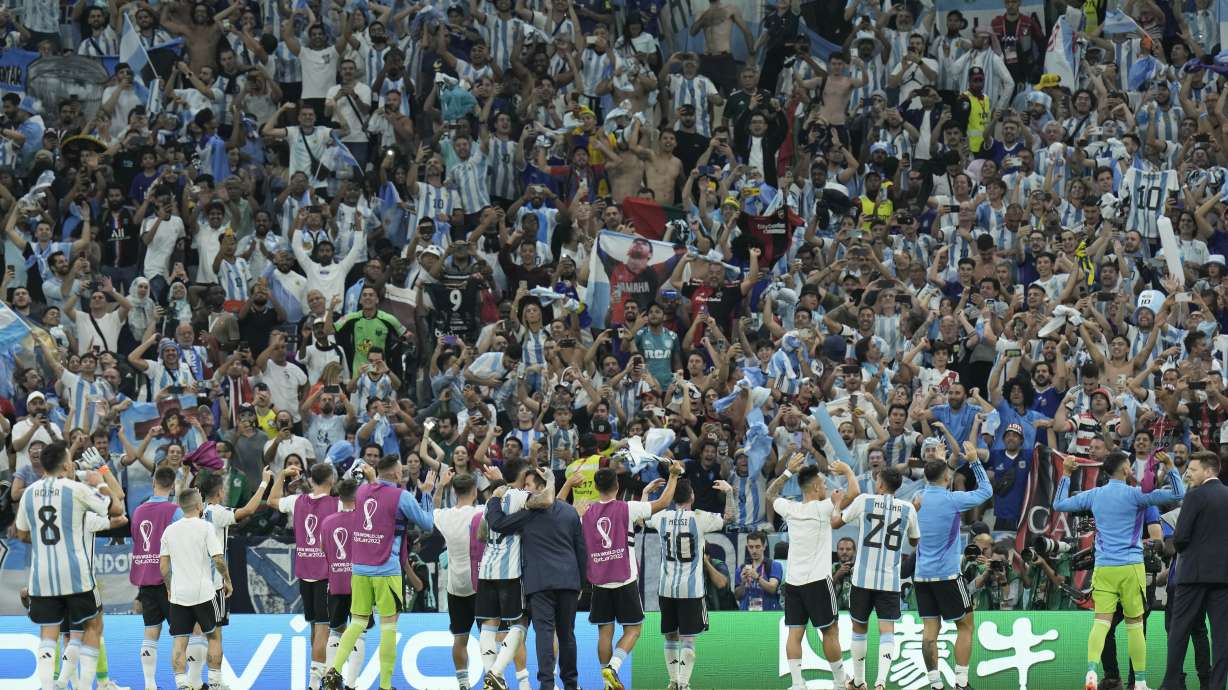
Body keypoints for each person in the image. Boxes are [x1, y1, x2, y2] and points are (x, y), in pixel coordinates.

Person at [1053, 451, 1185, 690]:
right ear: (1125, 470)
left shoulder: (1094, 495)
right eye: (1129, 466)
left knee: (1101, 622)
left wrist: (1066, 474)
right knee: (1135, 625)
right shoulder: (1137, 496)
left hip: (1104, 568)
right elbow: (1179, 493)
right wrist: (1170, 465)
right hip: (1130, 568)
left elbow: (1059, 504)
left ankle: (1092, 671)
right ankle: (1141, 682)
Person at [322, 454, 435, 690]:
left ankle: (333, 671)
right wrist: (426, 493)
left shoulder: (362, 492)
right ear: (395, 474)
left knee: (357, 623)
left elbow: (375, 492)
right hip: (386, 569)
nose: (403, 471)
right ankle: (385, 685)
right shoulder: (401, 497)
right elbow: (427, 524)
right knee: (388, 627)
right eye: (400, 469)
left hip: (360, 568)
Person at [15, 440, 116, 690]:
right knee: (92, 627)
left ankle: (49, 687)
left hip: (43, 577)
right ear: (65, 463)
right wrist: (99, 482)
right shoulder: (75, 489)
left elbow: (22, 534)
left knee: (49, 633)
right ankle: (84, 686)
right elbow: (113, 508)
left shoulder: (28, 492)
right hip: (76, 574)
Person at [486, 467, 588, 690]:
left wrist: (494, 498)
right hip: (568, 581)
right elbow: (582, 550)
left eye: (529, 485)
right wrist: (581, 583)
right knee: (567, 635)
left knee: (544, 634)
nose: (525, 490)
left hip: (539, 584)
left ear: (543, 488)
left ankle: (547, 685)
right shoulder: (571, 513)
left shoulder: (529, 515)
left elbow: (497, 524)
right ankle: (571, 684)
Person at [583, 462, 681, 689]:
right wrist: (674, 475)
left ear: (597, 488)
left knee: (604, 633)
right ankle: (613, 668)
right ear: (617, 485)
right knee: (634, 630)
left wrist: (645, 493)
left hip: (599, 581)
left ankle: (605, 681)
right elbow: (664, 502)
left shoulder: (586, 513)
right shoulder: (626, 508)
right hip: (625, 580)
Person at [768, 453, 860, 690]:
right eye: (824, 483)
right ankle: (841, 682)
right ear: (817, 486)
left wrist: (787, 471)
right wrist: (847, 471)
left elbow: (770, 495)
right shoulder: (822, 508)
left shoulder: (790, 508)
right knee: (830, 632)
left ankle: (798, 684)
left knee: (794, 633)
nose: (827, 486)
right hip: (818, 582)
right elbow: (854, 493)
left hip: (793, 583)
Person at [914, 440, 991, 690]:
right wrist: (974, 461)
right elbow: (986, 492)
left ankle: (935, 685)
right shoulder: (953, 499)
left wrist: (938, 461)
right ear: (947, 477)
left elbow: (934, 476)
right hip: (947, 575)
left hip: (922, 576)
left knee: (929, 632)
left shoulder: (918, 498)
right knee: (966, 625)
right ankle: (961, 682)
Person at [648, 476, 735, 690]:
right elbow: (729, 518)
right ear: (692, 496)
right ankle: (684, 683)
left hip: (666, 588)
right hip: (691, 590)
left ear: (672, 498)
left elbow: (642, 517)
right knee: (688, 638)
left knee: (670, 635)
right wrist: (730, 492)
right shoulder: (699, 518)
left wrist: (646, 493)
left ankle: (673, 680)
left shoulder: (662, 517)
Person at [842, 466, 920, 690]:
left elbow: (840, 520)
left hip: (862, 579)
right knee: (887, 631)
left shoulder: (865, 500)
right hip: (889, 580)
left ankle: (858, 682)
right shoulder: (908, 509)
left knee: (859, 628)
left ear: (880, 485)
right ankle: (880, 683)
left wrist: (839, 502)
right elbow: (915, 541)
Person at [269, 462, 341, 690]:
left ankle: (320, 678)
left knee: (315, 627)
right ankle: (316, 682)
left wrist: (280, 475)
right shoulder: (337, 504)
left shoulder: (297, 501)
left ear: (311, 480)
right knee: (324, 629)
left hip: (304, 573)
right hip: (325, 575)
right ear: (331, 480)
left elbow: (271, 501)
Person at [1162, 452, 1228, 690]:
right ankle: (1217, 686)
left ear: (1209, 471)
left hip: (1192, 575)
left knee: (1179, 631)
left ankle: (1171, 684)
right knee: (1221, 636)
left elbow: (1179, 539)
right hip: (1223, 577)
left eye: (1193, 469)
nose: (1188, 473)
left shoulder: (1195, 495)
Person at [159, 488, 233, 690]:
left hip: (179, 595)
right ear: (199, 505)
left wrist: (169, 588)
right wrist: (227, 580)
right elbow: (218, 558)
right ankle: (216, 683)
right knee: (214, 636)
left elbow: (164, 566)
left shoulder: (169, 530)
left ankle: (182, 684)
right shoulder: (206, 527)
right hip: (204, 595)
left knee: (179, 642)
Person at [130, 466, 183, 690]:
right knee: (182, 633)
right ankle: (185, 682)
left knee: (151, 630)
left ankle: (149, 684)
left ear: (153, 483)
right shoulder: (175, 511)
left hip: (145, 579)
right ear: (172, 486)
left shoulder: (138, 511)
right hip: (169, 580)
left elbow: (137, 542)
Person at [432, 469, 485, 690]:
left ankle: (463, 683)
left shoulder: (444, 516)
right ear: (474, 491)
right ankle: (492, 677)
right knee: (489, 637)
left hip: (456, 586)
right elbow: (499, 505)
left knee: (460, 638)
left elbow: (433, 508)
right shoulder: (482, 512)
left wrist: (439, 486)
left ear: (454, 492)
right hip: (481, 584)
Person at [319, 478, 367, 690]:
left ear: (339, 496)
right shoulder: (363, 519)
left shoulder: (328, 521)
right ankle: (352, 684)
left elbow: (322, 549)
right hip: (361, 582)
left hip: (336, 583)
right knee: (359, 631)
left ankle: (331, 677)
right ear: (357, 496)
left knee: (336, 631)